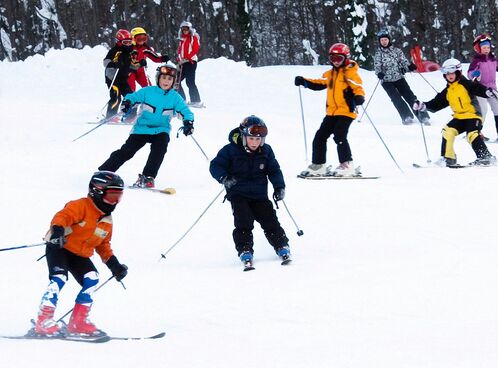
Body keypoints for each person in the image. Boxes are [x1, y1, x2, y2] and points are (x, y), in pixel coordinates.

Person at [32, 171, 129, 337]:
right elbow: (63, 216)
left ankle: (78, 322)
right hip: (60, 248)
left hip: (80, 256)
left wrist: (114, 265)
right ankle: (44, 319)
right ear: (97, 192)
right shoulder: (81, 206)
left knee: (92, 278)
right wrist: (57, 231)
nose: (115, 202)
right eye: (112, 196)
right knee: (59, 278)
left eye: (118, 197)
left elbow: (103, 245)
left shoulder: (106, 220)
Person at [209, 116, 291, 268]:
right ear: (243, 137)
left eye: (258, 139)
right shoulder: (230, 150)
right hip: (238, 194)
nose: (255, 143)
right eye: (251, 138)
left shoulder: (266, 151)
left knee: (270, 220)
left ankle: (281, 245)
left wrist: (279, 187)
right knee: (243, 221)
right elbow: (215, 166)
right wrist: (224, 178)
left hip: (259, 195)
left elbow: (274, 170)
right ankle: (245, 249)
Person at [98, 63, 195, 188]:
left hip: (161, 130)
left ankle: (148, 177)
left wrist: (188, 122)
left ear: (174, 82)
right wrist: (128, 102)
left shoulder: (175, 97)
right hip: (142, 128)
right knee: (127, 151)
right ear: (158, 78)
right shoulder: (148, 91)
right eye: (163, 78)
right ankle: (105, 171)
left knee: (159, 150)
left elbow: (185, 111)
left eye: (170, 79)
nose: (166, 81)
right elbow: (133, 97)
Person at [294, 42, 366, 177]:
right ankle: (318, 165)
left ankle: (347, 165)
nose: (336, 62)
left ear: (346, 58)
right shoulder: (330, 74)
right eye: (332, 59)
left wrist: (359, 97)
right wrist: (304, 81)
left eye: (339, 58)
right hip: (332, 112)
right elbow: (318, 83)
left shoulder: (350, 73)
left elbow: (358, 87)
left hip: (346, 111)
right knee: (320, 136)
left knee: (339, 135)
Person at [413, 58, 497, 167]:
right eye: (447, 74)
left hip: (473, 115)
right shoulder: (448, 90)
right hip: (459, 118)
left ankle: (485, 157)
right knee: (448, 131)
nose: (450, 76)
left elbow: (476, 88)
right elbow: (436, 104)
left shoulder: (465, 83)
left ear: (458, 72)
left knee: (472, 134)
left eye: (452, 73)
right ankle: (448, 158)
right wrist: (423, 106)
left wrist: (487, 92)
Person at [373, 29, 431, 125]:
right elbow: (377, 66)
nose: (384, 42)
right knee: (396, 98)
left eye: (385, 40)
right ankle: (406, 116)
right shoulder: (378, 54)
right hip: (386, 81)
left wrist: (409, 66)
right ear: (379, 41)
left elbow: (403, 61)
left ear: (389, 40)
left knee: (410, 96)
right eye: (382, 40)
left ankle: (423, 116)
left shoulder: (396, 51)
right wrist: (379, 73)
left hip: (399, 77)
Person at [103, 29, 135, 118]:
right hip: (113, 78)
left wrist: (139, 64)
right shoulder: (114, 51)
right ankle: (111, 116)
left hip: (123, 78)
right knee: (116, 97)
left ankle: (131, 117)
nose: (128, 45)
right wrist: (115, 64)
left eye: (130, 42)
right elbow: (105, 62)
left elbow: (133, 64)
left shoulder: (130, 52)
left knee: (131, 96)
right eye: (125, 42)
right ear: (119, 42)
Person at [127, 27, 170, 91]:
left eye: (144, 38)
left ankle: (151, 100)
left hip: (140, 71)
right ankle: (130, 100)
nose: (142, 41)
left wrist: (162, 58)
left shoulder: (145, 48)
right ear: (133, 39)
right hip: (130, 71)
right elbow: (125, 60)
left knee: (149, 88)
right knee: (131, 88)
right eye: (139, 39)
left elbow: (155, 57)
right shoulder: (129, 48)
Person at [176, 21, 202, 106]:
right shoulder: (182, 39)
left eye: (186, 29)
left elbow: (195, 49)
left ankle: (196, 100)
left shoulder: (193, 37)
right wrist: (179, 60)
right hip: (183, 63)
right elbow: (180, 51)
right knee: (177, 81)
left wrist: (187, 57)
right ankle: (182, 99)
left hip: (191, 62)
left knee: (190, 82)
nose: (184, 31)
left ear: (189, 29)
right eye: (183, 29)